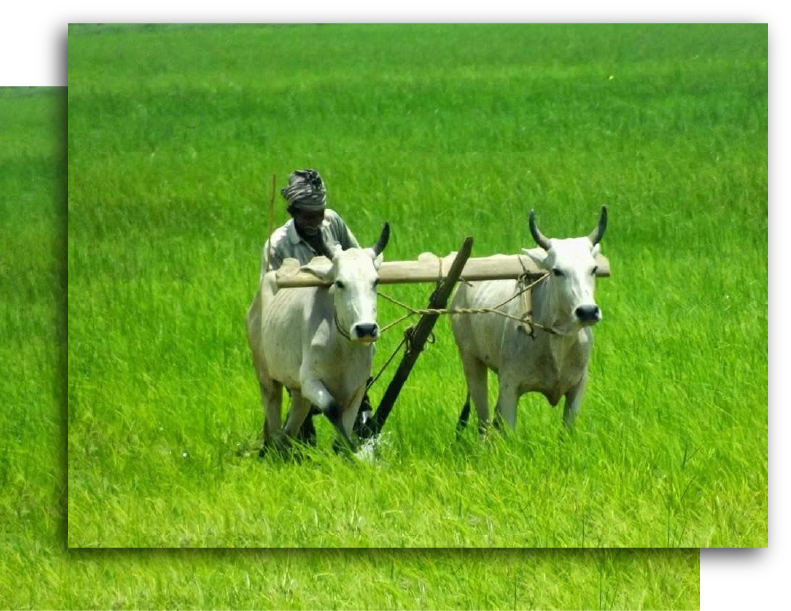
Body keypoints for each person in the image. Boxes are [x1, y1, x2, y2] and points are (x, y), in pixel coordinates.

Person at [261, 169, 375, 445]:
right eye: (308, 215)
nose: (316, 220)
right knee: (303, 427)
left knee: (355, 369)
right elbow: (271, 292)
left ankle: (359, 420)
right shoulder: (277, 245)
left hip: (341, 317)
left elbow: (357, 258)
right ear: (293, 211)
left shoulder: (332, 221)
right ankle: (296, 434)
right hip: (299, 324)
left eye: (319, 213)